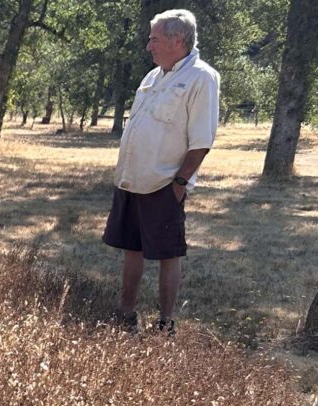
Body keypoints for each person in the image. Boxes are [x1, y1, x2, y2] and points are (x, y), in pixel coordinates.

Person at [103, 8, 219, 336]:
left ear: (177, 39)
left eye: (154, 39)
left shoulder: (201, 78)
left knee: (168, 253)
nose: (148, 46)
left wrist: (179, 183)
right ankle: (125, 312)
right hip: (131, 179)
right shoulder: (153, 77)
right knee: (132, 247)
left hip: (164, 183)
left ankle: (166, 323)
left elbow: (202, 139)